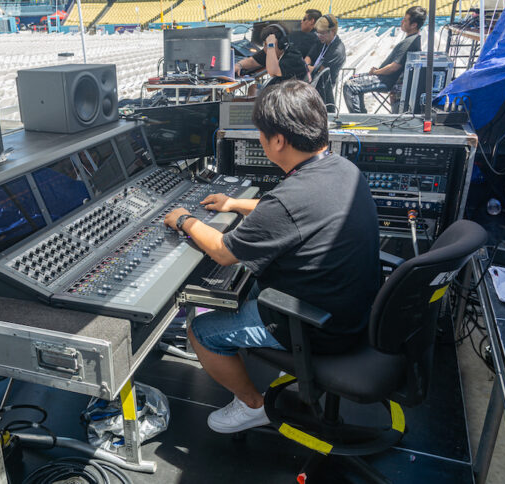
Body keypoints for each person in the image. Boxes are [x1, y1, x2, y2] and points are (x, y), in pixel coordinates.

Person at [163, 81, 380, 434]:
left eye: (262, 135)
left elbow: (223, 251)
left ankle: (253, 405)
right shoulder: (342, 169)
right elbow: (295, 212)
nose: (261, 141)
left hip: (320, 327)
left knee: (201, 331)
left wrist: (183, 219)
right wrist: (234, 204)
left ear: (278, 140)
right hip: (354, 311)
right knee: (241, 291)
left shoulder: (287, 200)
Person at [343, 6, 427, 113]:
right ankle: (361, 114)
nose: (402, 22)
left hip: (386, 80)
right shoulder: (413, 39)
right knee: (352, 78)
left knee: (350, 86)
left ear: (414, 25)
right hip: (384, 77)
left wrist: (376, 72)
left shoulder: (410, 41)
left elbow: (393, 67)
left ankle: (357, 118)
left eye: (405, 20)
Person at [234, 24, 309, 85]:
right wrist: (239, 65)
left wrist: (270, 46)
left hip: (295, 97)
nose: (265, 48)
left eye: (267, 44)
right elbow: (252, 61)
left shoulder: (293, 56)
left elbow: (273, 71)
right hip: (285, 92)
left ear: (280, 43)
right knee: (253, 88)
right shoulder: (273, 52)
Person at [305, 14, 346, 84]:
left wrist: (305, 66)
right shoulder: (322, 41)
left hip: (323, 87)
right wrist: (306, 65)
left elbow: (319, 71)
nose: (319, 36)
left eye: (322, 33)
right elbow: (309, 56)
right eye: (318, 33)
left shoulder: (337, 51)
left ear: (332, 31)